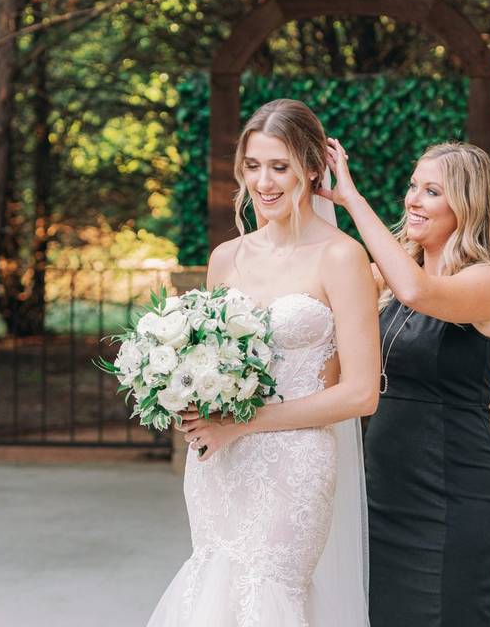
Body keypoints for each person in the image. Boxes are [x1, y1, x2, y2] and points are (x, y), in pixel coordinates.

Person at [147, 99, 380, 627]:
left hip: (294, 465)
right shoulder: (226, 258)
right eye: (253, 166)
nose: (265, 182)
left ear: (312, 170)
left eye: (280, 167)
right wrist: (184, 397)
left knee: (267, 594)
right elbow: (201, 360)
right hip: (219, 465)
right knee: (213, 589)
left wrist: (244, 423)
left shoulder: (342, 257)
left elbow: (361, 392)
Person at [318, 138, 490, 626]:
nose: (412, 200)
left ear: (465, 205)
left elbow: (417, 289)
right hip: (381, 490)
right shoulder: (386, 281)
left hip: (451, 493)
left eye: (431, 191)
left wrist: (351, 198)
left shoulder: (487, 283)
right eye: (413, 186)